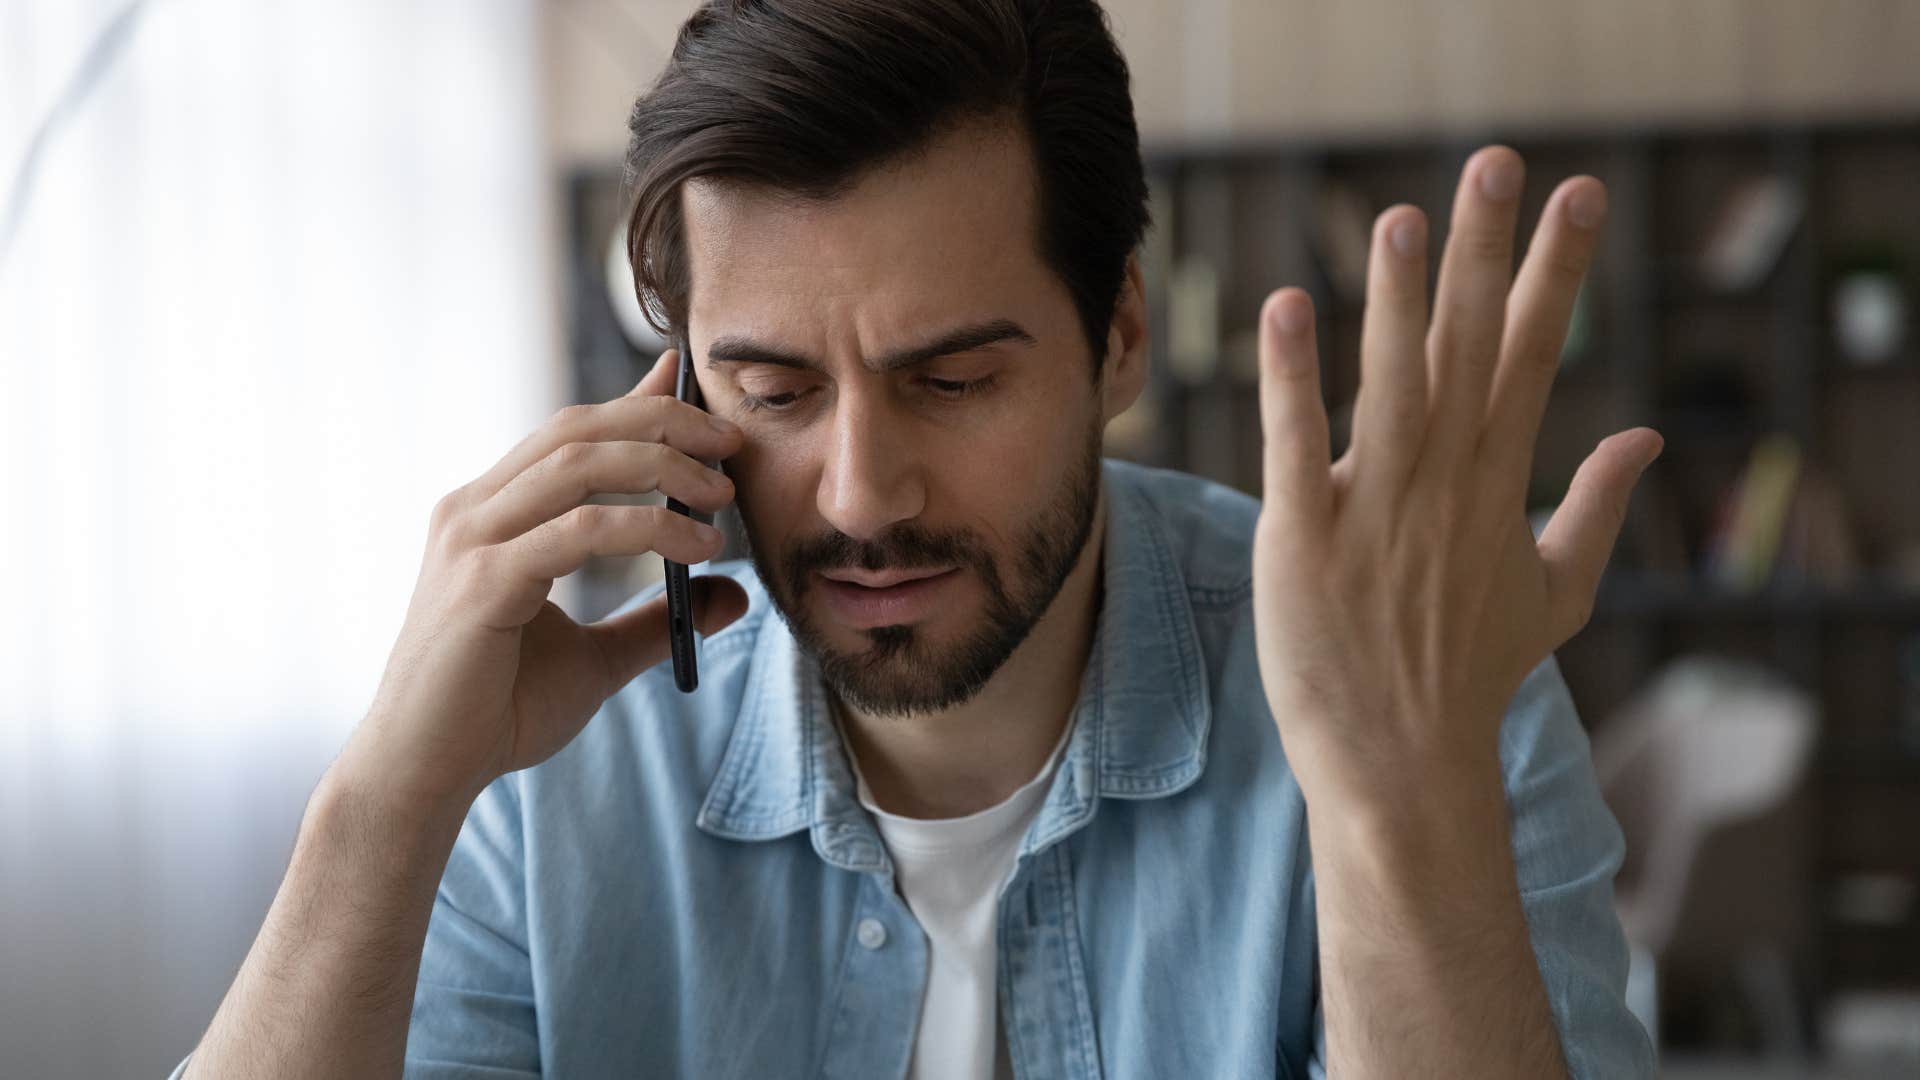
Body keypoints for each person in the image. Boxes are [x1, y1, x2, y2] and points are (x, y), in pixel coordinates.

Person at [171, 1, 1661, 1077]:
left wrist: (1399, 811)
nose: (859, 492)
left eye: (952, 379)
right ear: (680, 383)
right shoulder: (552, 764)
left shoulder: (1415, 700)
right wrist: (381, 809)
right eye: (774, 388)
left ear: (1122, 333)